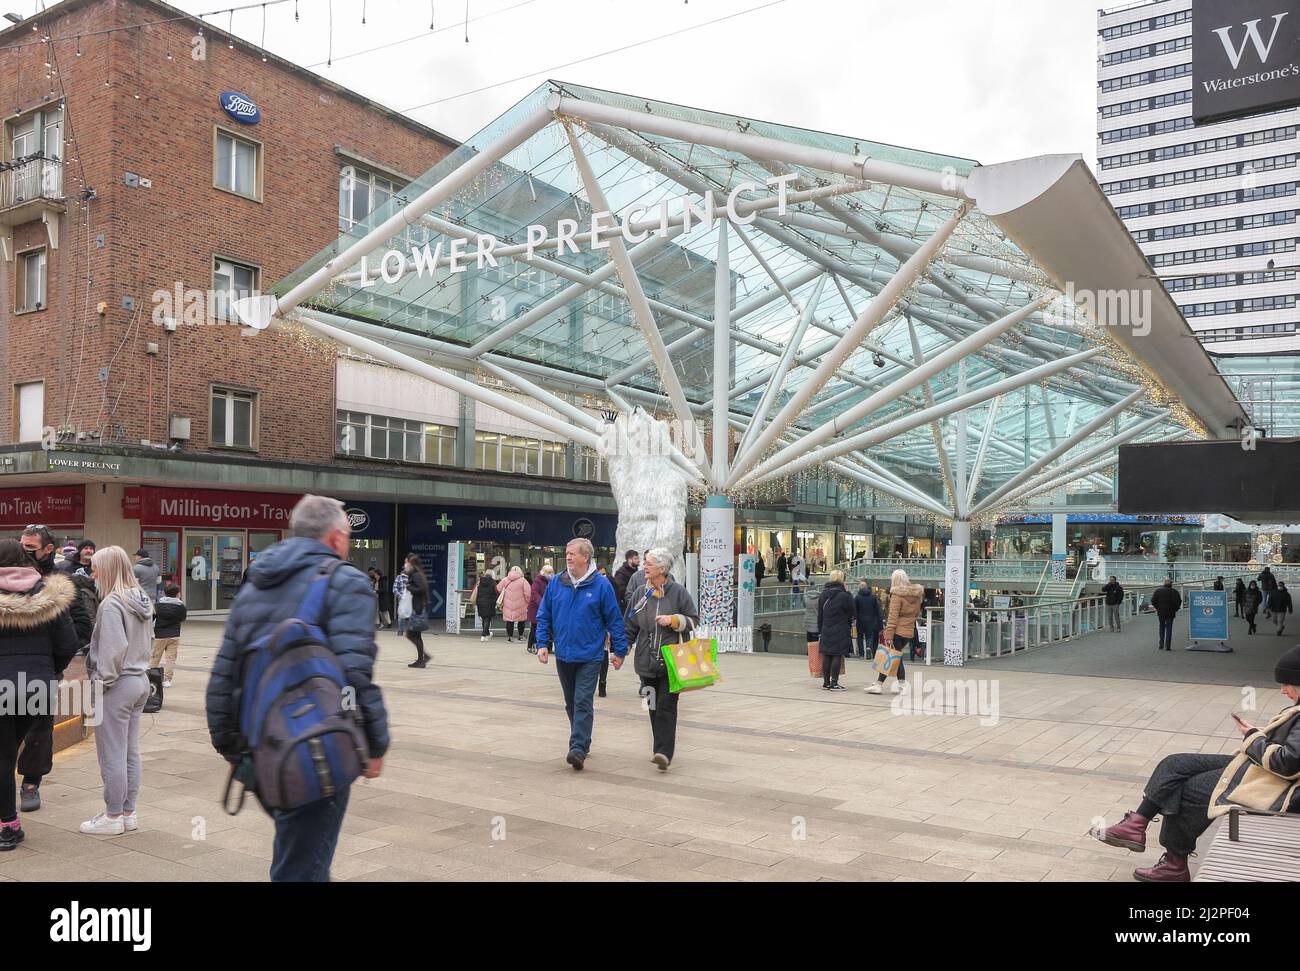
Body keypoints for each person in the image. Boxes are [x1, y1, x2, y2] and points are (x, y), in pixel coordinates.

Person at [206, 495, 387, 882]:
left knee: (302, 852)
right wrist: (377, 744)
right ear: (337, 537)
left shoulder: (256, 582)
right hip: (318, 744)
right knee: (302, 867)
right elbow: (355, 674)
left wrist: (229, 745)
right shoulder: (345, 580)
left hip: (259, 747)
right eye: (349, 537)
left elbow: (224, 669)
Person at [1090, 645, 1300, 881]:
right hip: (1260, 768)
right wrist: (1255, 735)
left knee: (1189, 791)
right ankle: (1136, 824)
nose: (1282, 690)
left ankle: (1174, 864)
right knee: (1175, 764)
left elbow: (1289, 763)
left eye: (1287, 683)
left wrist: (1252, 736)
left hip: (1278, 785)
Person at [0, 539, 78, 851]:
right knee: (14, 747)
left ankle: (8, 826)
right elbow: (68, 644)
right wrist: (50, 672)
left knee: (2, 756)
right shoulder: (50, 597)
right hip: (38, 687)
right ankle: (16, 807)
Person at [16, 525, 93, 813]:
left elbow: (82, 626)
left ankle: (31, 782)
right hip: (9, 669)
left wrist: (56, 663)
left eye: (31, 547)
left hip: (42, 670)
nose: (25, 552)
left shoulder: (61, 582)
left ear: (49, 548)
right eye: (22, 546)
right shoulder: (10, 576)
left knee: (39, 729)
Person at [533, 538, 628, 771]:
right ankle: (583, 739)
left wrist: (619, 650)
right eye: (566, 553)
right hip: (563, 654)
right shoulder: (556, 582)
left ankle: (576, 748)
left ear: (586, 557)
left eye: (572, 553)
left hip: (590, 655)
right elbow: (544, 614)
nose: (568, 557)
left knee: (582, 700)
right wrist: (542, 643)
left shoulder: (601, 585)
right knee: (570, 703)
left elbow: (614, 620)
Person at [81, 546, 154, 837]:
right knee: (129, 752)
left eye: (96, 567)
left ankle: (112, 816)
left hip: (118, 683)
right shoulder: (142, 599)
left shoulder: (111, 604)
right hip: (140, 680)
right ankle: (127, 812)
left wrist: (99, 685)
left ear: (108, 569)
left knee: (112, 753)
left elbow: (112, 651)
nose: (92, 573)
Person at [624, 548, 698, 770]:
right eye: (645, 563)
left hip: (671, 662)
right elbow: (630, 624)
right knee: (652, 706)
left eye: (648, 563)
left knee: (666, 706)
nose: (644, 566)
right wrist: (623, 647)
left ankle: (664, 752)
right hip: (645, 663)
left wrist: (674, 620)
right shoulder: (640, 593)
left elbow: (694, 620)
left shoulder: (678, 593)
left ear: (662, 569)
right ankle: (659, 748)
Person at [868, 568, 922, 695]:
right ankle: (880, 684)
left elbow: (893, 616)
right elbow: (916, 614)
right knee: (893, 657)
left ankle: (895, 685)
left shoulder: (897, 595)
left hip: (897, 631)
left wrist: (889, 634)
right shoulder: (916, 595)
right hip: (908, 631)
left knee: (894, 658)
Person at [816, 570, 854, 691]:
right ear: (842, 580)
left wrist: (820, 629)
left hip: (826, 627)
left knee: (827, 654)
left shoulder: (823, 594)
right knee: (837, 654)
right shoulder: (844, 595)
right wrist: (848, 594)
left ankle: (826, 682)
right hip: (840, 628)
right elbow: (852, 612)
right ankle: (834, 683)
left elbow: (820, 614)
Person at [150, 582, 187, 688]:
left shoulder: (158, 605)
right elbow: (183, 618)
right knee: (171, 659)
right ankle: (167, 680)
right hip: (174, 635)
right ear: (177, 594)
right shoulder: (181, 607)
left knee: (155, 658)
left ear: (164, 594)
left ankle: (151, 678)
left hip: (160, 636)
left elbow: (152, 618)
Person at [402, 554, 430, 666]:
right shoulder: (415, 575)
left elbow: (421, 589)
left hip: (417, 608)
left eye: (406, 562)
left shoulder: (416, 575)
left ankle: (422, 659)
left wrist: (409, 587)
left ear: (411, 564)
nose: (405, 564)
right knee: (416, 635)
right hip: (418, 607)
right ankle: (421, 659)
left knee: (411, 634)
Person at [497, 566, 531, 643]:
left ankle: (510, 637)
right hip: (521, 604)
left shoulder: (505, 580)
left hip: (507, 603)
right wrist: (528, 602)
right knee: (521, 620)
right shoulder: (523, 581)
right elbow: (528, 593)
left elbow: (498, 588)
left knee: (509, 621)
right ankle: (521, 636)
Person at [526, 564, 553, 654]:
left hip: (547, 609)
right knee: (535, 628)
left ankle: (548, 647)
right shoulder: (538, 581)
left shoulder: (552, 581)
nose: (551, 574)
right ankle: (531, 645)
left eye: (552, 572)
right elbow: (534, 593)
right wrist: (542, 604)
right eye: (549, 572)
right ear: (543, 572)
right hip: (536, 609)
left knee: (548, 628)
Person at [1150, 578, 1182, 652]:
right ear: (1171, 584)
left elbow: (1153, 601)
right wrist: (1175, 609)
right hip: (1171, 613)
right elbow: (1178, 602)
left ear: (1164, 583)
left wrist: (1158, 608)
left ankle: (1161, 644)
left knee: (1161, 627)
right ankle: (1168, 645)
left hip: (1161, 612)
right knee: (1169, 628)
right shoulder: (1174, 592)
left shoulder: (1158, 591)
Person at [853, 580, 882, 660]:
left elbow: (855, 609)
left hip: (860, 620)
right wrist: (879, 623)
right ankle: (869, 647)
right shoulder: (873, 597)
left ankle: (861, 654)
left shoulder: (857, 597)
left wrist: (855, 618)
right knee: (870, 636)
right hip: (871, 620)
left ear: (859, 588)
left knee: (860, 637)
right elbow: (877, 611)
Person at [469, 569, 498, 641]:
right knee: (487, 619)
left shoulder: (480, 581)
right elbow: (496, 592)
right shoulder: (493, 582)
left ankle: (487, 634)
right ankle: (483, 635)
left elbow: (474, 590)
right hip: (490, 603)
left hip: (480, 602)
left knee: (484, 619)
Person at [802, 580, 820, 679]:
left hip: (808, 620)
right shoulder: (819, 597)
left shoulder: (805, 596)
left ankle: (808, 652)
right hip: (816, 620)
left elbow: (804, 605)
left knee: (809, 636)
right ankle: (816, 654)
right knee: (816, 638)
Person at [392, 568, 410, 637]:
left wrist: (400, 596)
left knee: (401, 615)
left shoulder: (398, 577)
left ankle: (400, 631)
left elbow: (394, 589)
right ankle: (408, 631)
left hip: (403, 599)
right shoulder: (411, 578)